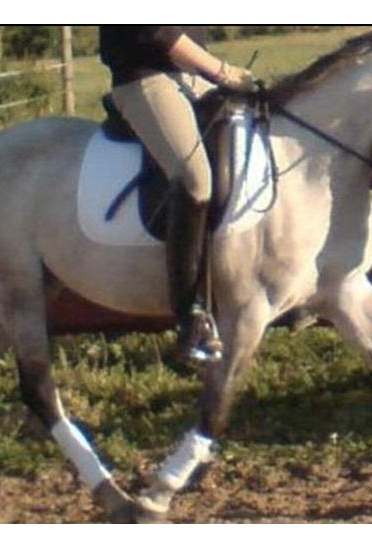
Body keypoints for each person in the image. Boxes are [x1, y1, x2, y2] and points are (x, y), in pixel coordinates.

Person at [99, 26, 257, 362]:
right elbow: (158, 31)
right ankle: (191, 317)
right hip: (146, 78)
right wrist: (222, 71)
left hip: (194, 78)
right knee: (194, 178)